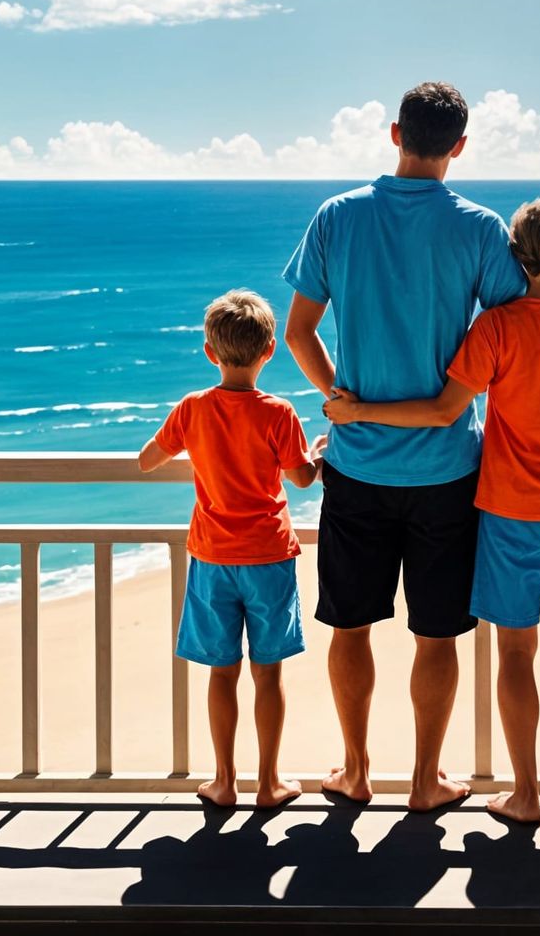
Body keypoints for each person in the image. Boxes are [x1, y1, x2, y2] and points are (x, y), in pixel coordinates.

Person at [324, 198, 540, 824]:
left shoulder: (494, 328)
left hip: (512, 510)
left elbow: (445, 411)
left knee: (517, 653)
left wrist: (357, 413)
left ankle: (526, 794)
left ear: (514, 257)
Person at [282, 81, 529, 812]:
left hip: (356, 464)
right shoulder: (479, 228)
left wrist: (339, 398)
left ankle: (356, 771)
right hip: (448, 468)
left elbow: (297, 332)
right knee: (437, 635)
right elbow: (513, 331)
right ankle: (426, 781)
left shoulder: (337, 216)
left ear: (395, 133)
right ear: (460, 146)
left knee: (350, 625)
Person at [139, 289, 322, 809]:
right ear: (269, 351)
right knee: (269, 673)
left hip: (213, 556)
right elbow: (301, 479)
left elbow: (147, 460)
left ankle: (223, 782)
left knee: (223, 671)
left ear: (209, 352)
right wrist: (318, 455)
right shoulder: (278, 412)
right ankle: (269, 783)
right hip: (268, 556)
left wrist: (200, 448)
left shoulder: (193, 408)